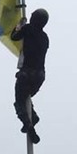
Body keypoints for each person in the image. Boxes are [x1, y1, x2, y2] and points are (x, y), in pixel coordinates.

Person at [11, 8, 49, 144]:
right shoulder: (45, 38)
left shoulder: (28, 29)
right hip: (39, 76)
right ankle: (32, 116)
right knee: (25, 95)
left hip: (27, 73)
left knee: (20, 102)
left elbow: (14, 36)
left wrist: (20, 25)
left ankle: (29, 125)